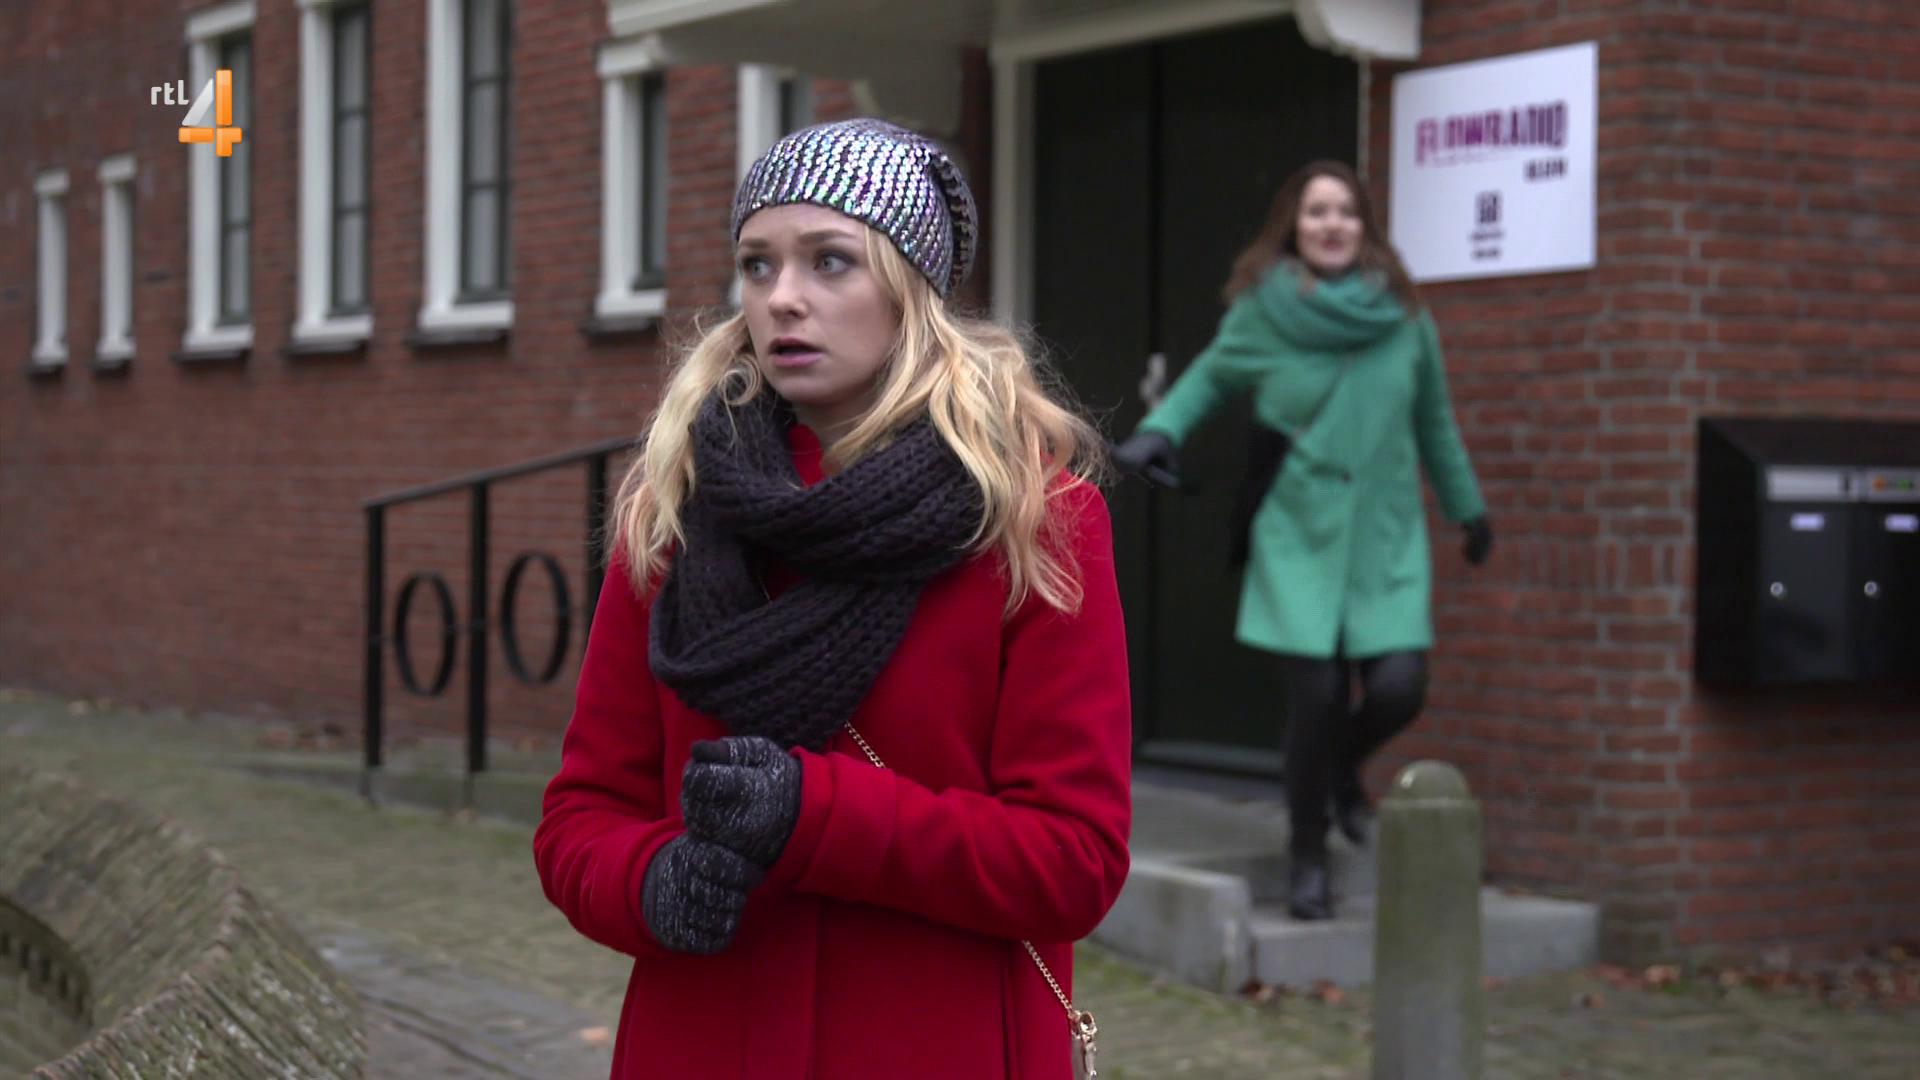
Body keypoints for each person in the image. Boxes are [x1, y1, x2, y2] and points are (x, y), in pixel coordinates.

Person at [534, 118, 1132, 1079]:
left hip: (942, 1047)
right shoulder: (674, 513)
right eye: (757, 265)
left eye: (830, 261)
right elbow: (581, 820)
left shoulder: (1034, 522)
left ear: (910, 288)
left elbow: (1073, 862)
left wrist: (815, 813)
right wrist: (651, 883)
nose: (783, 297)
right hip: (707, 1042)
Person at [1111, 160, 1491, 922]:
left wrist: (1468, 509)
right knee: (1315, 698)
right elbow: (1208, 379)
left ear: (1365, 226)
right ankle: (1307, 853)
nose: (1331, 225)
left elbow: (1434, 423)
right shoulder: (1264, 312)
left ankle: (1339, 771)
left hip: (1384, 537)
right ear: (1294, 225)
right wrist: (1158, 432)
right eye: (1317, 212)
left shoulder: (1406, 317)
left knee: (1398, 688)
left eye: (1345, 211)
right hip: (1298, 532)